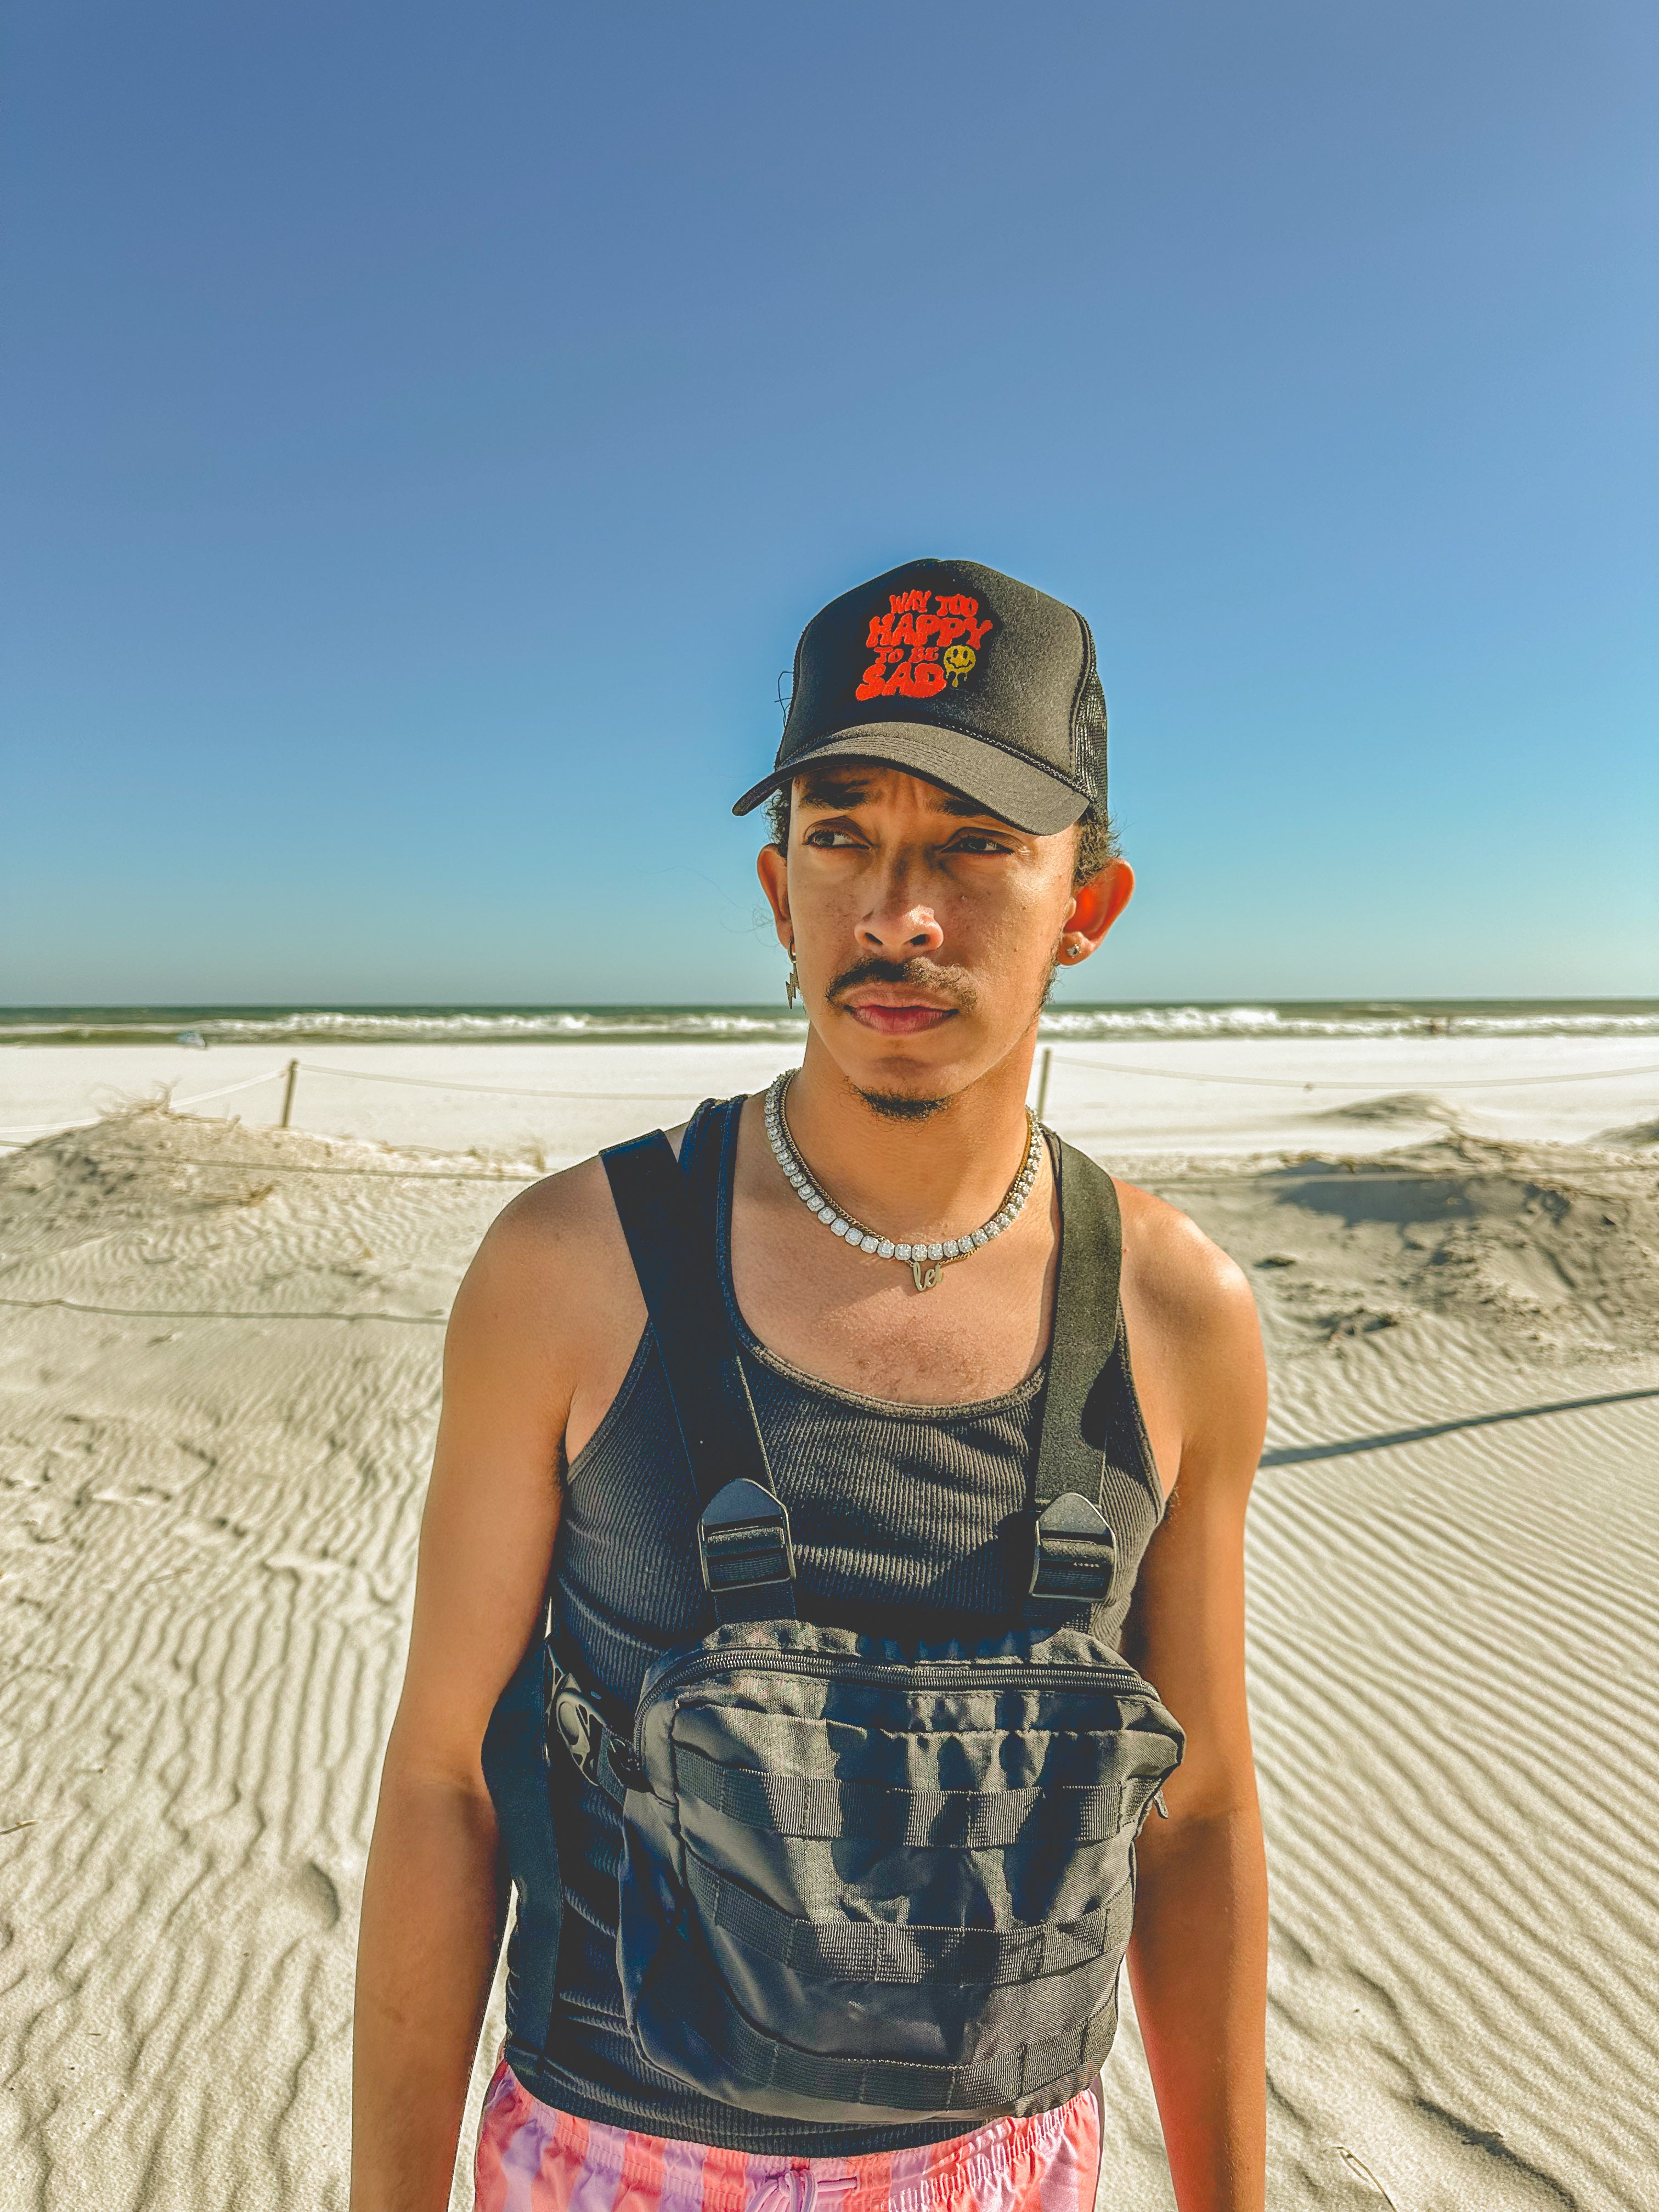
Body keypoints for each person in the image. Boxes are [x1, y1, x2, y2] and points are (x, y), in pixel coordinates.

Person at [352, 559, 1268, 2212]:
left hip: (1010, 2168)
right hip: (615, 2159)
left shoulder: (1175, 1314)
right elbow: (440, 1782)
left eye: (978, 846)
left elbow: (1196, 1820)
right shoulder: (571, 1271)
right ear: (778, 892)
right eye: (843, 834)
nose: (898, 914)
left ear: (1089, 905)